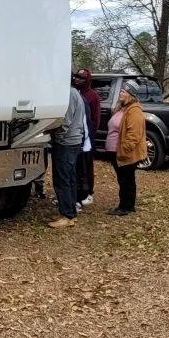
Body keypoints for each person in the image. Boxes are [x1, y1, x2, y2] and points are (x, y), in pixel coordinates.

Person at [49, 83, 86, 228]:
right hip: (73, 142)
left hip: (66, 143)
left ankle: (66, 215)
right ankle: (70, 213)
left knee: (62, 179)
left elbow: (66, 121)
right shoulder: (75, 93)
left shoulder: (69, 94)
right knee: (70, 179)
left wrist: (55, 136)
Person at [110, 79, 147, 216]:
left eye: (123, 91)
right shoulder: (124, 108)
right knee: (124, 179)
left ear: (130, 94)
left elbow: (134, 135)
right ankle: (125, 205)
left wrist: (123, 152)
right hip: (119, 152)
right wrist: (119, 104)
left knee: (127, 180)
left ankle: (126, 206)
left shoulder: (135, 111)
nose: (120, 93)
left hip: (126, 154)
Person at [72, 70, 101, 206]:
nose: (78, 80)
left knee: (87, 166)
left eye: (81, 78)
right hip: (76, 137)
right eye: (76, 77)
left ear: (87, 80)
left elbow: (95, 119)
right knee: (77, 167)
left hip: (87, 138)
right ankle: (76, 193)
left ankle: (89, 192)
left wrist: (90, 136)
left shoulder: (92, 96)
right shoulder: (74, 93)